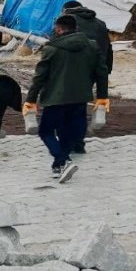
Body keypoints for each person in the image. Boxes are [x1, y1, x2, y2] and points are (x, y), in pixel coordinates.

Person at [24, 15, 110, 183]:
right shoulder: (92, 46)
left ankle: (64, 160)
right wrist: (102, 97)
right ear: (75, 27)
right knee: (69, 133)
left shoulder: (51, 49)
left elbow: (39, 78)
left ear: (59, 29)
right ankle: (59, 166)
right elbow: (102, 73)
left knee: (46, 132)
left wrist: (30, 100)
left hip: (55, 99)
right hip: (80, 98)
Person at [61, 0, 113, 154]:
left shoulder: (65, 23)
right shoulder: (100, 24)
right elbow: (108, 50)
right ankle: (78, 143)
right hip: (92, 71)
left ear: (66, 10)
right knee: (80, 106)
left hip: (69, 70)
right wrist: (105, 72)